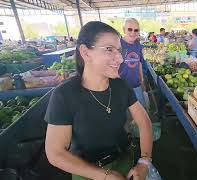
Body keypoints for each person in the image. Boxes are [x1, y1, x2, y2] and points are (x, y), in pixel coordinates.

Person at [45, 21, 153, 180]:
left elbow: (144, 121)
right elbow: (55, 153)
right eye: (109, 49)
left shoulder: (121, 86)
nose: (120, 59)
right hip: (86, 172)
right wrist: (106, 176)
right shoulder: (64, 95)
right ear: (86, 52)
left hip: (125, 163)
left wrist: (144, 161)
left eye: (119, 51)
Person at [119, 18, 146, 107]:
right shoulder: (118, 45)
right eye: (129, 29)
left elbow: (139, 63)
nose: (132, 32)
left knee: (141, 108)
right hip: (121, 86)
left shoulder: (138, 44)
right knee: (124, 112)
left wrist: (142, 80)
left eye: (136, 30)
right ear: (124, 30)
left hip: (136, 84)